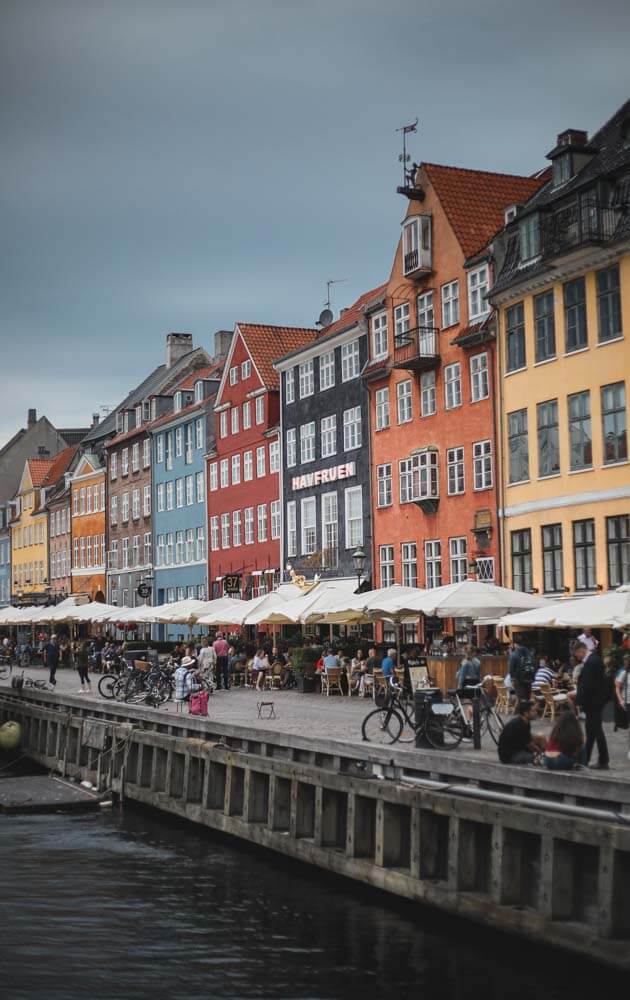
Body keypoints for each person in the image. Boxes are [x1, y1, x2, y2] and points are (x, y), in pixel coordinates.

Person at [574, 639, 610, 769]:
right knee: (593, 731)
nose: (577, 657)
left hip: (593, 703)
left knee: (594, 731)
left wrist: (578, 700)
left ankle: (598, 760)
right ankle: (590, 759)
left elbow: (587, 685)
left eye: (577, 654)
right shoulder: (594, 660)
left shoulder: (591, 662)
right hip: (595, 702)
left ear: (581, 651)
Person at [508, 638, 534, 709]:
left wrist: (512, 679)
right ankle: (527, 713)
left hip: (518, 679)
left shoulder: (514, 654)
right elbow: (534, 665)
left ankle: (522, 714)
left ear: (515, 644)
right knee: (527, 698)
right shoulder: (529, 653)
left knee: (521, 698)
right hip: (529, 678)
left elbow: (511, 668)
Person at [614, 653, 630, 731]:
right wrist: (621, 700)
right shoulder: (624, 672)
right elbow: (617, 686)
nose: (626, 662)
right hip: (628, 702)